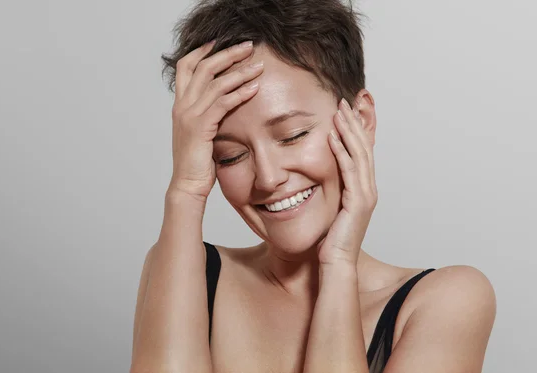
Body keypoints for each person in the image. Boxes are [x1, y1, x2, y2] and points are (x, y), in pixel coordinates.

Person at [130, 0, 496, 372]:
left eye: (293, 135)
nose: (269, 178)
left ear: (361, 119)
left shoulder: (446, 302)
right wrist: (186, 190)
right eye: (230, 156)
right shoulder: (182, 268)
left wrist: (338, 264)